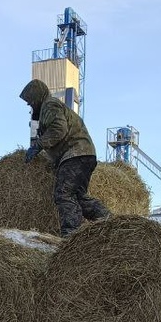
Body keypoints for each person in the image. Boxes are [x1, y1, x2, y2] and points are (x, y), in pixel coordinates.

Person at [19, 78, 110, 236]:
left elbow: (59, 129)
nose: (29, 105)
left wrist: (38, 145)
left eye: (30, 100)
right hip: (84, 154)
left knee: (64, 193)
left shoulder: (49, 105)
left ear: (37, 96)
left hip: (75, 154)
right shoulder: (50, 108)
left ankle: (71, 235)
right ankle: (109, 221)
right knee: (79, 197)